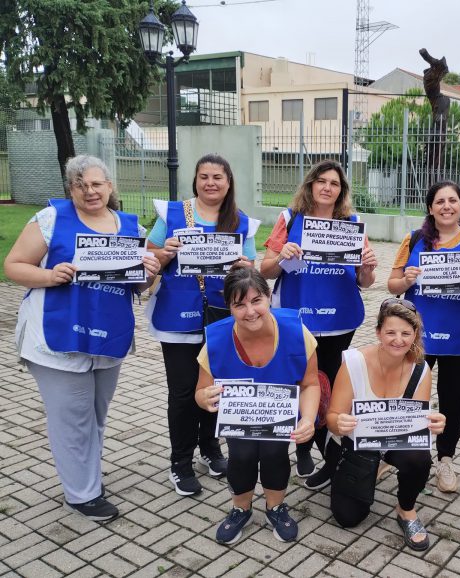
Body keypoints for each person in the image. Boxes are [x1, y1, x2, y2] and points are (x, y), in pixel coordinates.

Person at [4, 155, 160, 521]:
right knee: (72, 418)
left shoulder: (127, 226)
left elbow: (136, 284)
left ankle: (85, 477)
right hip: (56, 335)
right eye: (80, 185)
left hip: (108, 336)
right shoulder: (51, 219)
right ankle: (82, 494)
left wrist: (149, 272)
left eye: (96, 184)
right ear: (70, 189)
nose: (89, 191)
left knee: (94, 415)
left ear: (109, 186)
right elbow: (13, 266)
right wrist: (50, 275)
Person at [146, 153, 260, 496]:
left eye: (218, 177)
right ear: (195, 181)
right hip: (178, 316)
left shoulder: (241, 222)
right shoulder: (173, 213)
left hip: (223, 318)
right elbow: (149, 257)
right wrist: (164, 252)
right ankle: (180, 463)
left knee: (216, 389)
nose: (211, 183)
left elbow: (251, 269)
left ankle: (210, 450)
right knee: (182, 394)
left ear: (229, 183)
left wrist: (245, 265)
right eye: (204, 176)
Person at [260, 159, 377, 486]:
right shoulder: (290, 218)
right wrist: (283, 256)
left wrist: (367, 266)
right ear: (310, 184)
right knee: (298, 382)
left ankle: (323, 446)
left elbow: (365, 280)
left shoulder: (351, 223)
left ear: (341, 191)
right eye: (322, 181)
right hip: (296, 318)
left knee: (328, 387)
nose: (327, 187)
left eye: (335, 183)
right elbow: (265, 270)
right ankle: (302, 446)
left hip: (340, 320)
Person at [194, 268, 320, 545]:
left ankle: (275, 507)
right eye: (239, 304)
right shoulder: (215, 338)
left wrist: (308, 418)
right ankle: (241, 508)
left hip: (279, 416)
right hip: (241, 418)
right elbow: (200, 391)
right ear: (229, 307)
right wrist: (204, 398)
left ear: (268, 298)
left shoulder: (297, 331)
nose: (250, 311)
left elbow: (310, 383)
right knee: (241, 455)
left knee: (275, 454)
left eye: (256, 301)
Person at [387, 180, 460, 493]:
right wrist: (404, 278)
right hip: (418, 335)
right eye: (440, 201)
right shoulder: (414, 239)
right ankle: (394, 450)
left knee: (453, 400)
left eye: (452, 201)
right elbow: (392, 285)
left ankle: (445, 459)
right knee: (406, 394)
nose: (446, 206)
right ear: (430, 207)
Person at [325, 298, 445, 550]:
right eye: (390, 332)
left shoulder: (420, 369)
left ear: (415, 335)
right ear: (378, 332)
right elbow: (332, 417)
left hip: (393, 438)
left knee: (419, 458)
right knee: (347, 518)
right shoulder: (354, 362)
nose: (398, 340)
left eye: (406, 333)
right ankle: (364, 467)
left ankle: (406, 510)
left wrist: (433, 424)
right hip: (354, 440)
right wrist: (340, 422)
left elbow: (417, 426)